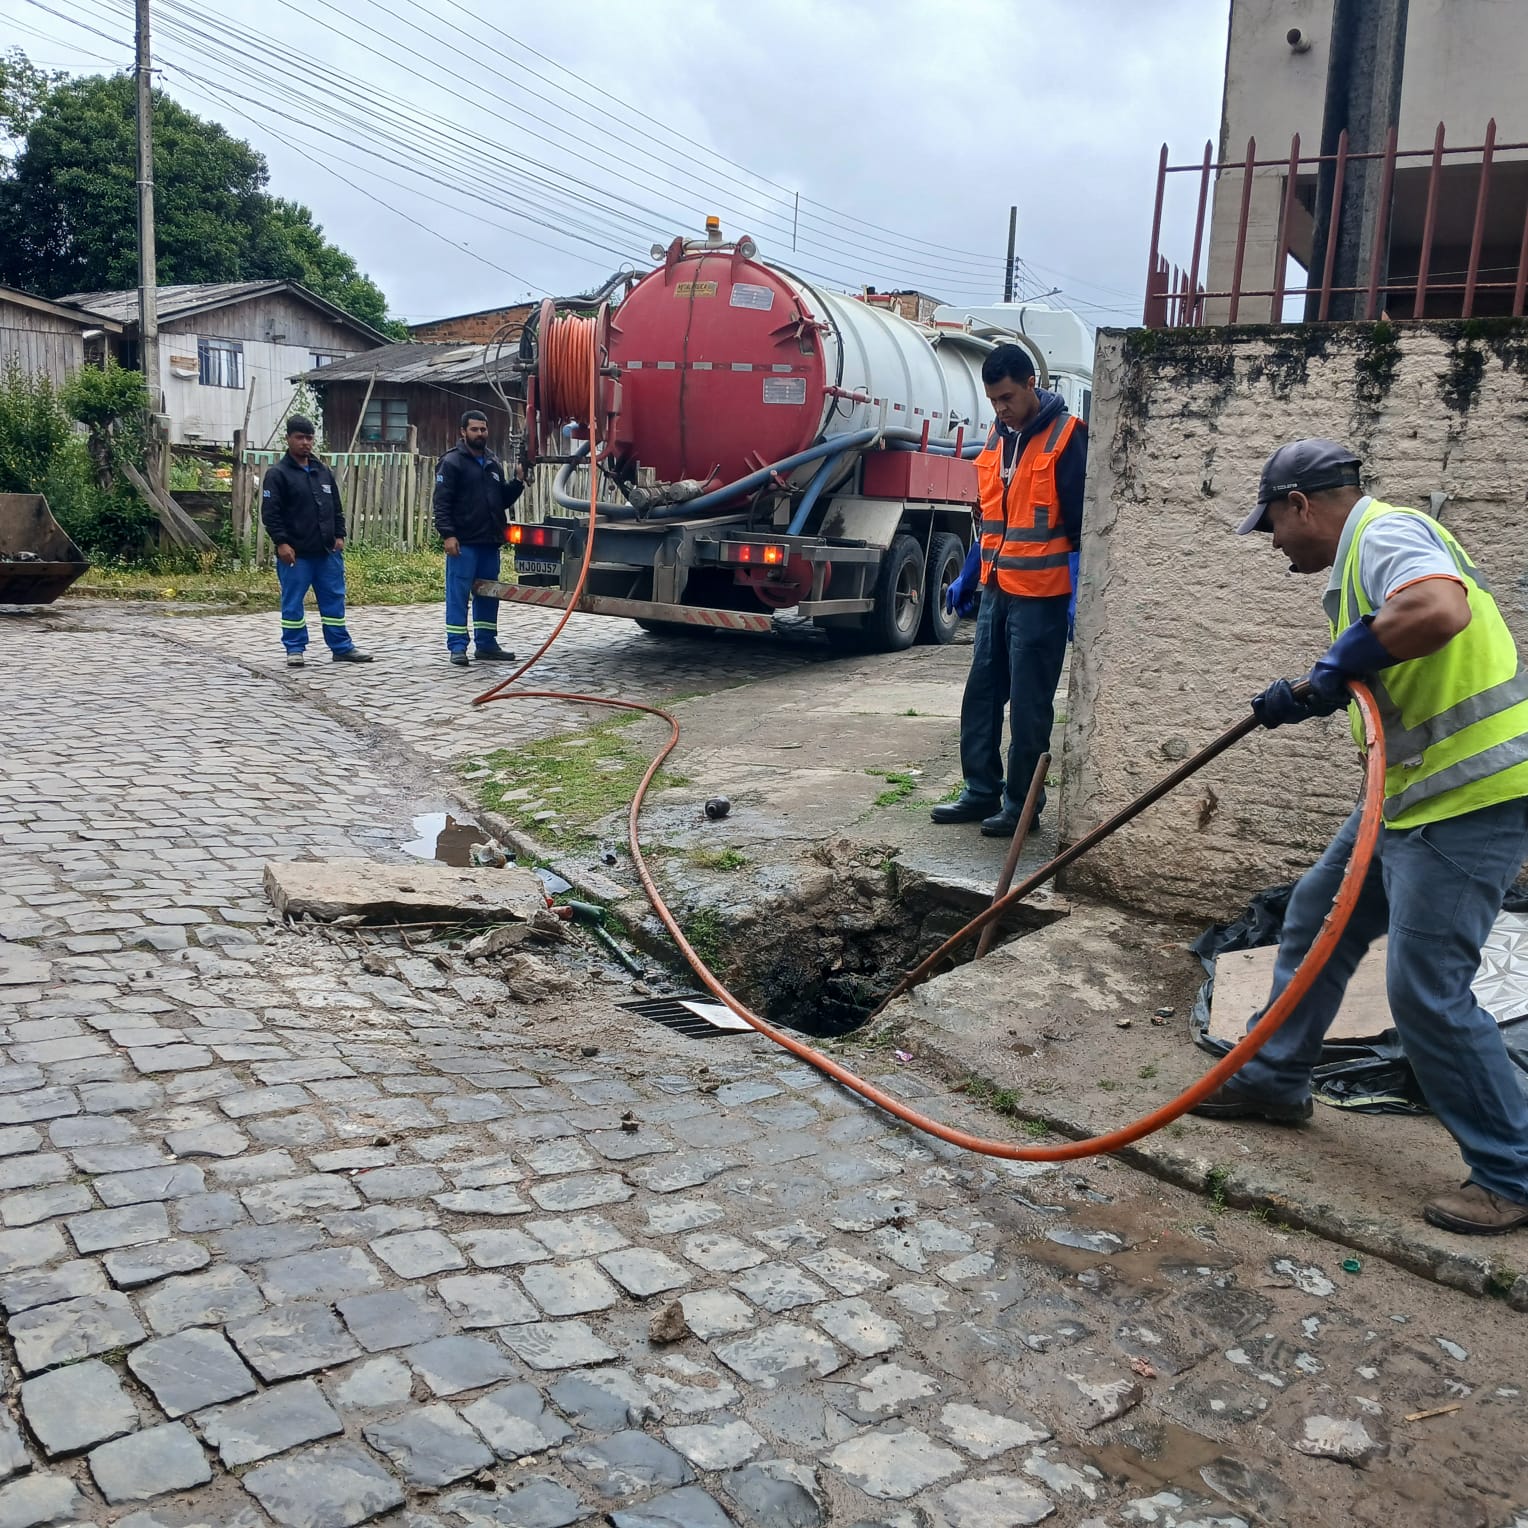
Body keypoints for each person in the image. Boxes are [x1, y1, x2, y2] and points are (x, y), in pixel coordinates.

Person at [1193, 437, 1528, 1235]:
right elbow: (1388, 658)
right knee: (1316, 916)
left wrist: (1342, 656)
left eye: (1271, 523)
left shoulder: (1381, 534)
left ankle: (1512, 1171)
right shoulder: (1363, 562)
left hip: (1468, 798)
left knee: (1425, 990)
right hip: (1408, 798)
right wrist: (1316, 688)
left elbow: (1439, 610)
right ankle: (1275, 1078)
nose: (1273, 542)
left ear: (1301, 504)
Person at [932, 344, 1087, 836]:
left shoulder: (1067, 439)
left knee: (1028, 705)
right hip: (997, 590)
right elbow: (991, 518)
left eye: (1007, 398)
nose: (1000, 409)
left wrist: (1078, 595)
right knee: (981, 694)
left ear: (1030, 384)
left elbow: (1083, 527)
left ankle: (1022, 805)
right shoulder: (999, 439)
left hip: (1042, 597)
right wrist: (970, 572)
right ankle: (980, 790)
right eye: (993, 400)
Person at [259, 415, 372, 667]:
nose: (305, 443)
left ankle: (341, 647)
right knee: (292, 603)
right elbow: (270, 513)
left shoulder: (322, 472)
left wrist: (340, 535)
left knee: (334, 600)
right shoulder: (277, 474)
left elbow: (336, 507)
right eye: (299, 437)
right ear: (288, 438)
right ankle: (295, 648)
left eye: (309, 438)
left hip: (327, 553)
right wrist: (281, 542)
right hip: (296, 554)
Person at [433, 410, 525, 667]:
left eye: (483, 429)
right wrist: (448, 535)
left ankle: (486, 644)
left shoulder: (492, 462)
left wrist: (518, 480)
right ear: (463, 432)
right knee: (458, 594)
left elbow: (502, 500)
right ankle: (457, 646)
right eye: (474, 429)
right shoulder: (452, 463)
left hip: (489, 542)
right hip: (464, 543)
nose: (480, 434)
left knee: (488, 594)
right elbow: (441, 503)